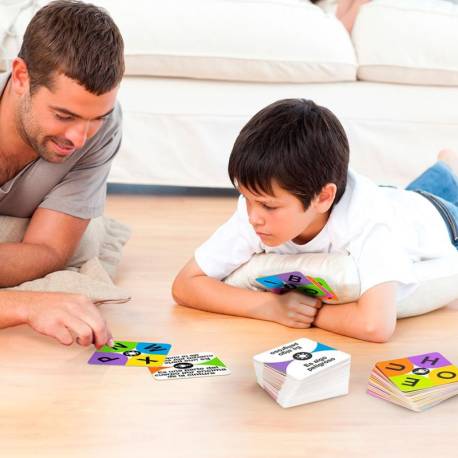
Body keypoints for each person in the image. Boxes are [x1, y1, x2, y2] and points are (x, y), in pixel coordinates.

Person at [172, 98, 458, 343]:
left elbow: (376, 326)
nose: (252, 217)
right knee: (412, 193)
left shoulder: (369, 223)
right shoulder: (258, 207)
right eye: (245, 198)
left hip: (442, 221)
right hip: (397, 200)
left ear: (323, 198)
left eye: (268, 206)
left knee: (424, 199)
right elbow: (186, 284)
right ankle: (447, 167)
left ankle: (449, 168)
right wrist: (268, 306)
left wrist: (313, 314)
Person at [0, 0, 125, 347]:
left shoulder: (106, 126)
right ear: (22, 77)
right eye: (64, 115)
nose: (79, 138)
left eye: (96, 118)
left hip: (36, 229)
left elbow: (50, 249)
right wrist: (22, 305)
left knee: (82, 242)